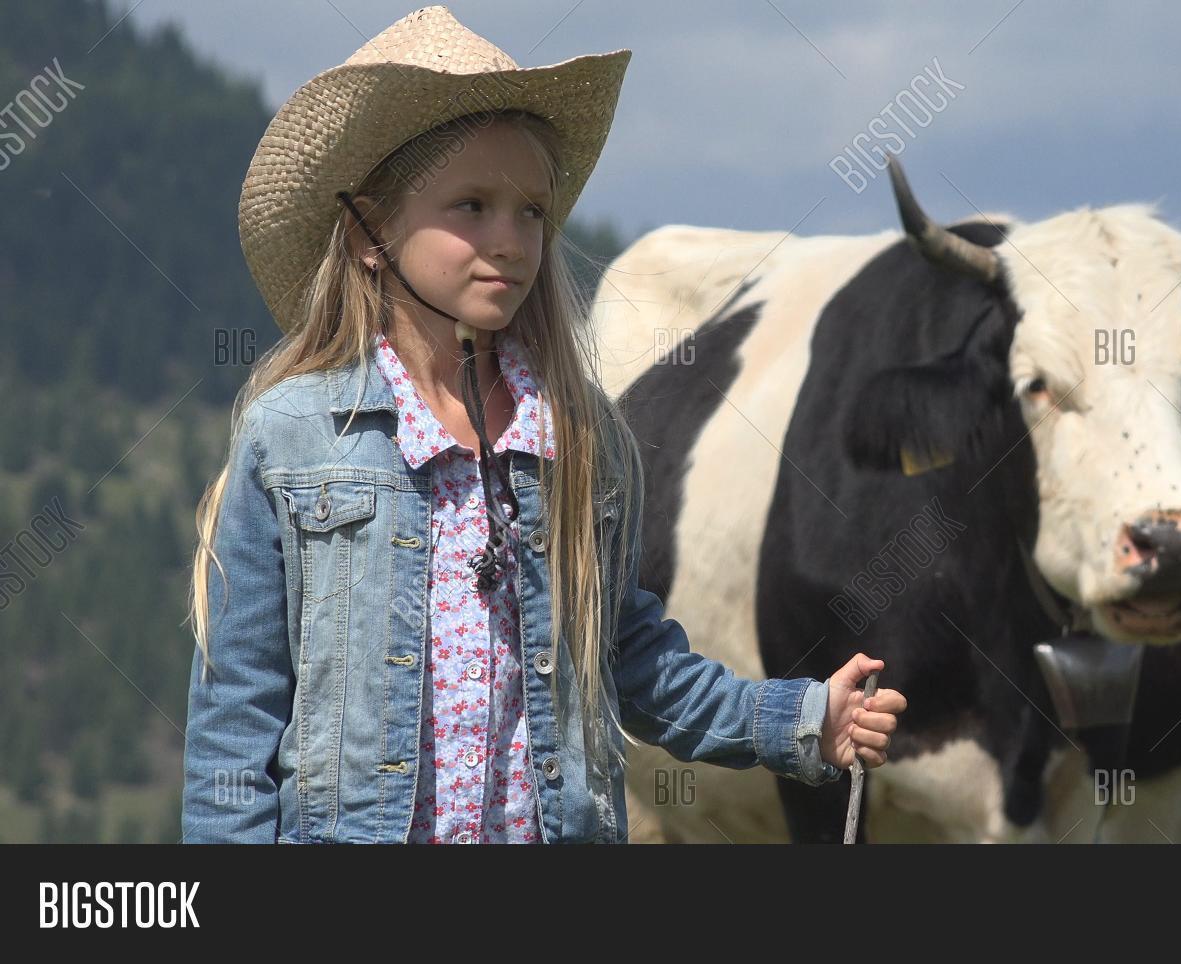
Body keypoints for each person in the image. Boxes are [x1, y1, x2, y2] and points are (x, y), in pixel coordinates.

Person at [182, 5, 906, 844]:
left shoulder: (581, 444)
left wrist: (802, 720)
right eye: (472, 206)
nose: (511, 240)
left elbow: (634, 659)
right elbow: (236, 734)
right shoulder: (295, 437)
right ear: (369, 231)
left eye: (531, 211)